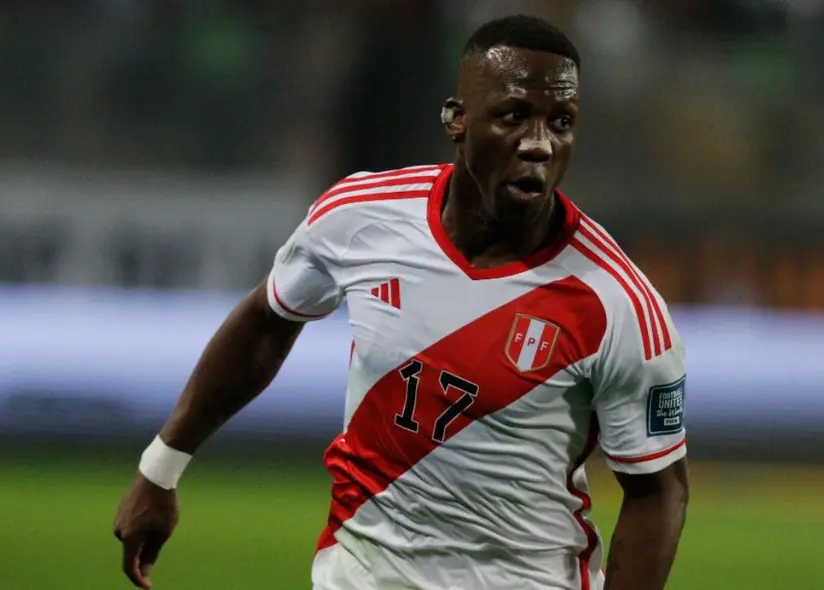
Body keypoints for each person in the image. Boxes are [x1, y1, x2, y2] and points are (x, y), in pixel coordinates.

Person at [113, 14, 689, 590]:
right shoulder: (362, 217)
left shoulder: (617, 303)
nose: (539, 144)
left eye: (560, 122)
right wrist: (161, 466)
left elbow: (658, 489)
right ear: (457, 120)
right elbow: (268, 320)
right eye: (514, 115)